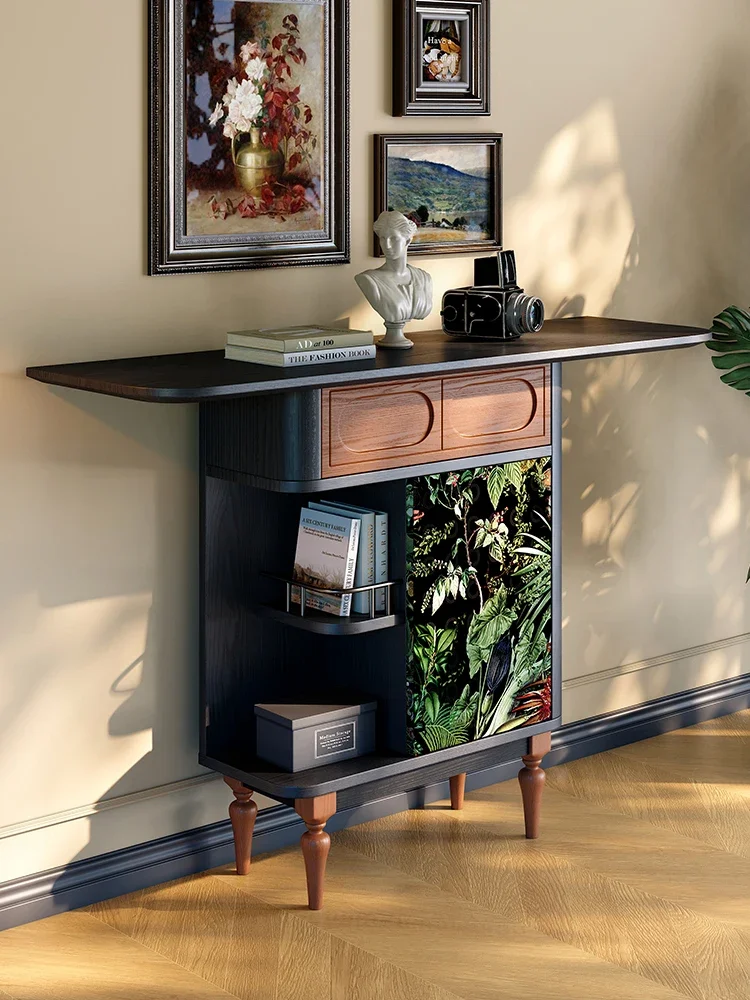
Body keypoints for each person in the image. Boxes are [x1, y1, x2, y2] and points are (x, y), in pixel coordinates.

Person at [355, 211, 433, 349]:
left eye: (394, 239)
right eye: (383, 238)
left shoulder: (424, 278)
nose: (387, 245)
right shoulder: (368, 280)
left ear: (407, 241)